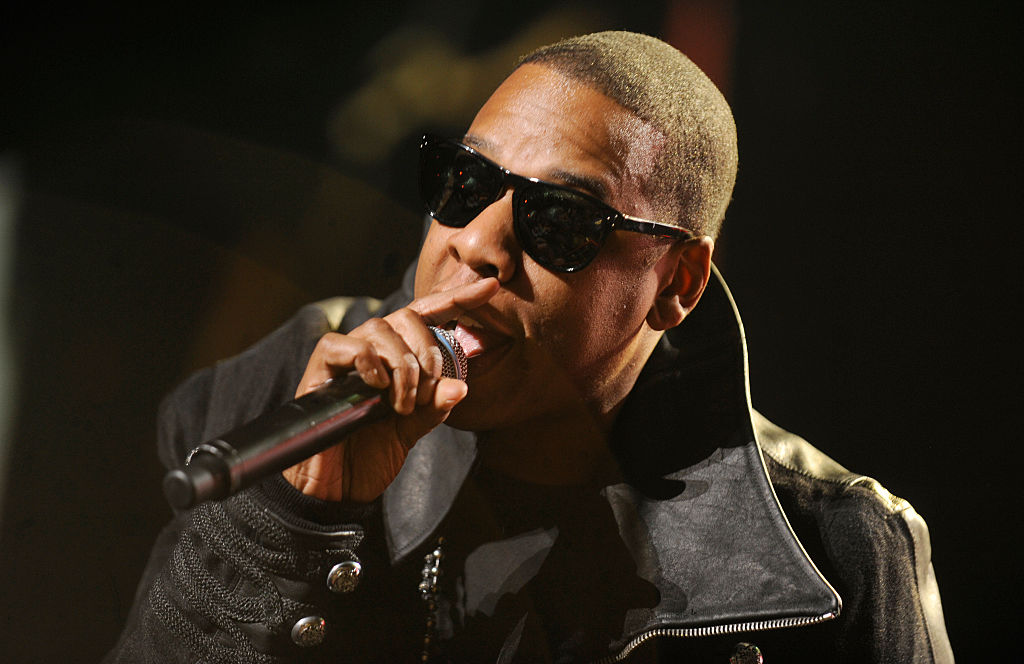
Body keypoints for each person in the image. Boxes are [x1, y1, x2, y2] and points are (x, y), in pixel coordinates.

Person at [106, 31, 953, 663]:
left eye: (561, 220)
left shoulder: (835, 550)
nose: (478, 243)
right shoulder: (284, 392)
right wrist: (293, 524)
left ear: (677, 283)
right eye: (465, 183)